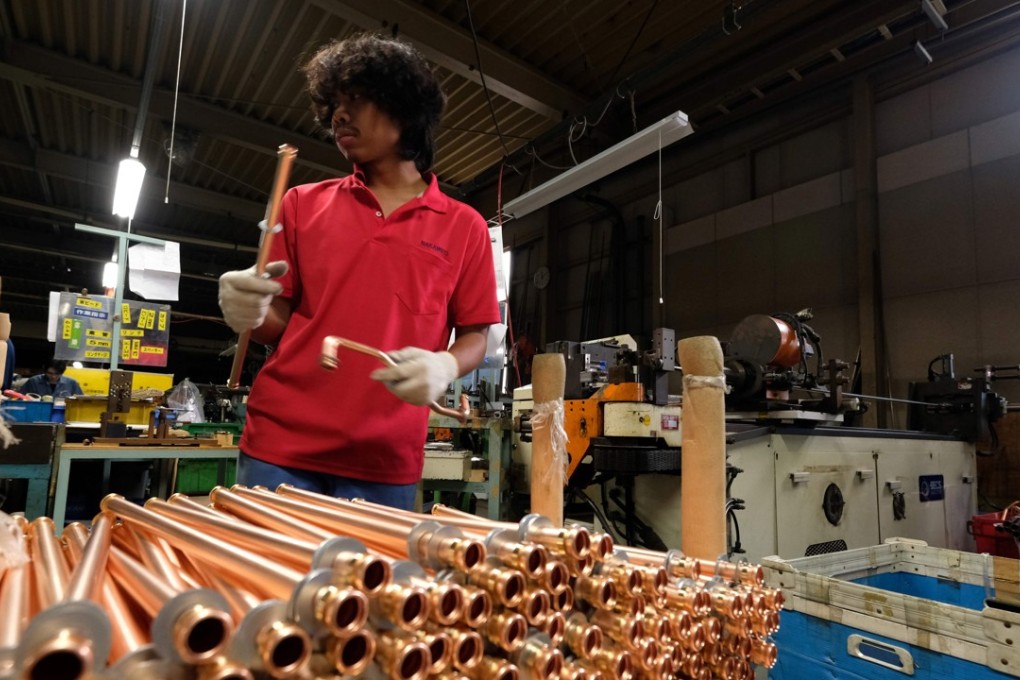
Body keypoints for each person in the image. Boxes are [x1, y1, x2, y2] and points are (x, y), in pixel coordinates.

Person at [217, 33, 499, 511]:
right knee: (268, 584)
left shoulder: (464, 226)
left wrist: (447, 364)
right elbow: (274, 327)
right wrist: (248, 307)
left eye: (357, 100)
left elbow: (476, 335)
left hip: (384, 458)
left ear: (406, 109)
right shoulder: (302, 203)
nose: (338, 116)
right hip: (281, 447)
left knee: (369, 588)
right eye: (334, 104)